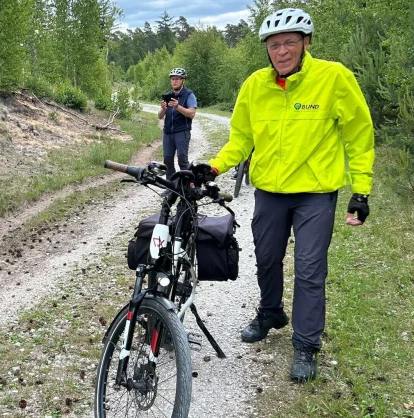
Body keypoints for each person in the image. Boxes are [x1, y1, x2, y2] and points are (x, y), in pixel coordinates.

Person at [203, 8, 375, 383]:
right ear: (267, 49)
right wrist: (214, 167)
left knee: (310, 269)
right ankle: (270, 313)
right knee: (266, 259)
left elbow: (359, 135)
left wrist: (360, 190)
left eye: (290, 43)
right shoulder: (254, 86)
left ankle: (306, 345)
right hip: (269, 192)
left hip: (315, 193)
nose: (281, 51)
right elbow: (241, 139)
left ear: (306, 43)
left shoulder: (333, 78)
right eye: (274, 45)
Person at [157, 68, 197, 179]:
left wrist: (177, 107)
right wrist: (163, 109)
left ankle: (187, 187)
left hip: (182, 132)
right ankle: (171, 187)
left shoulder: (189, 95)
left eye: (177, 79)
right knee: (167, 161)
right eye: (172, 79)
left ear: (183, 80)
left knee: (182, 161)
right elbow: (160, 116)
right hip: (168, 133)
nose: (174, 81)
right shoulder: (168, 95)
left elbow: (192, 114)